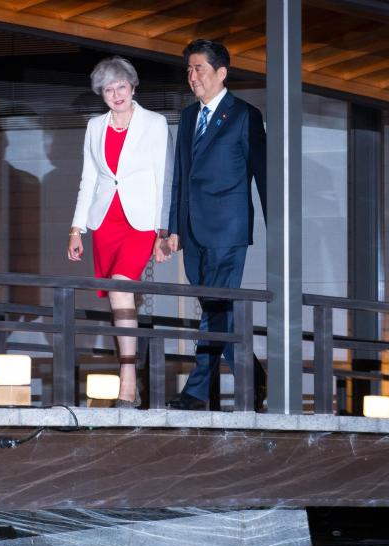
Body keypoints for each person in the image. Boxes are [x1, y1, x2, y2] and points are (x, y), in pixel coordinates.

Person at [162, 39, 268, 411]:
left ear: (221, 74)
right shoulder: (189, 116)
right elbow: (181, 176)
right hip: (193, 231)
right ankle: (252, 375)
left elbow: (264, 175)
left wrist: (281, 232)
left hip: (227, 229)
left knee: (214, 311)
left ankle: (196, 391)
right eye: (188, 70)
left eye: (199, 69)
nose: (192, 77)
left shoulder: (244, 116)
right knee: (219, 310)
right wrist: (174, 228)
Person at [67, 56, 173, 408]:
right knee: (118, 295)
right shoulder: (95, 126)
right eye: (108, 89)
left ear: (133, 86)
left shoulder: (154, 123)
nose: (116, 95)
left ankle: (128, 381)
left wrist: (163, 230)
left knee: (122, 285)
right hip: (105, 221)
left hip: (140, 221)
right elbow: (89, 179)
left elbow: (164, 177)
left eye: (121, 87)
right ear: (101, 93)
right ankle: (129, 373)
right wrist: (76, 228)